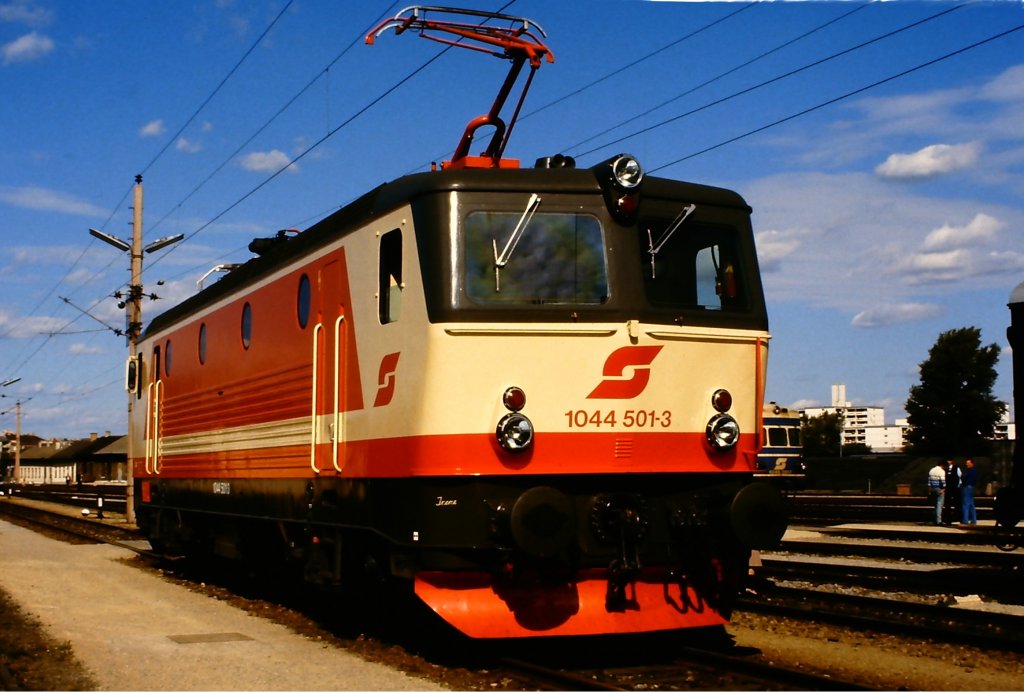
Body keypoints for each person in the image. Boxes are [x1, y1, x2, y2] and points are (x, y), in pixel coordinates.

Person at [943, 458, 961, 524]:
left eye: (949, 460)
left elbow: (959, 477)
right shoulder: (945, 468)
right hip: (948, 488)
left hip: (955, 488)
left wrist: (958, 486)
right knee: (947, 504)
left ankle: (957, 518)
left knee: (957, 504)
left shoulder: (956, 468)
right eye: (947, 460)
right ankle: (948, 519)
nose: (948, 462)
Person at [961, 458, 978, 524]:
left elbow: (964, 478)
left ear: (972, 463)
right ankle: (973, 520)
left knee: (965, 504)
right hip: (972, 487)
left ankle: (965, 520)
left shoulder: (969, 471)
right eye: (966, 463)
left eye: (968, 463)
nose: (967, 464)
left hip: (967, 487)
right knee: (971, 505)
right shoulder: (974, 471)